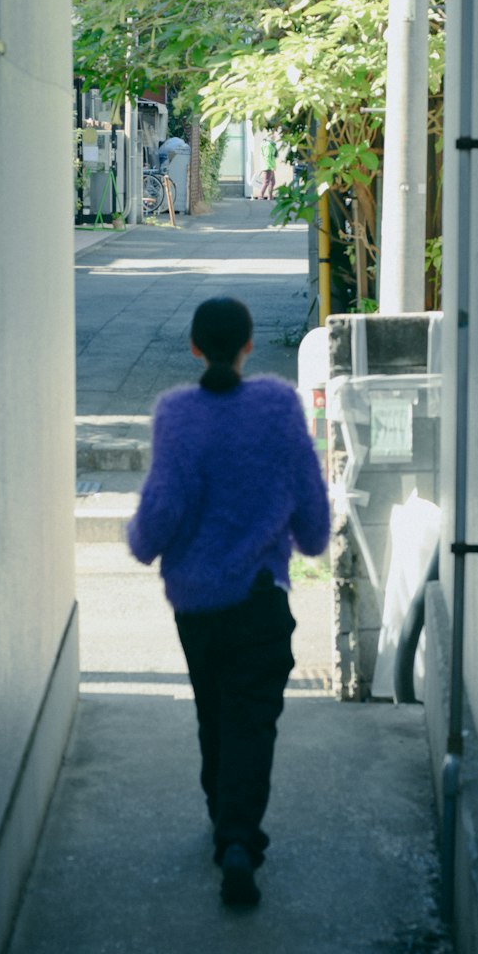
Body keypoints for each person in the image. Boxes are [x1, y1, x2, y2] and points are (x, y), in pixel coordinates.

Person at [127, 298, 330, 907]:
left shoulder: (177, 415)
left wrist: (142, 543)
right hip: (260, 600)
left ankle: (223, 815)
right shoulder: (276, 406)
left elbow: (161, 510)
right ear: (248, 345)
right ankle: (238, 838)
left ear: (194, 347)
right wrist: (309, 540)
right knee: (253, 719)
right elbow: (308, 495)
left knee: (213, 712)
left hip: (197, 606)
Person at [257, 133, 278, 200]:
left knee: (272, 182)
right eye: (273, 135)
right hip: (268, 167)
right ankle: (260, 196)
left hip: (268, 166)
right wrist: (271, 166)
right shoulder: (268, 145)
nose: (275, 136)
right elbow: (268, 157)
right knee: (266, 182)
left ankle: (270, 197)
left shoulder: (270, 144)